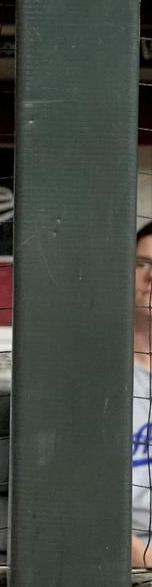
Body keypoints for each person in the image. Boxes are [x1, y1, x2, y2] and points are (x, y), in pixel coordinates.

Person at [132, 222, 152, 567]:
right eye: (142, 264)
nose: (151, 278)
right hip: (109, 558)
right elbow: (80, 498)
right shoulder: (92, 375)